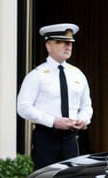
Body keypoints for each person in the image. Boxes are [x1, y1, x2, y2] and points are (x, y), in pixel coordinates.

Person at [17, 23, 93, 169]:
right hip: (47, 137)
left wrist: (83, 119)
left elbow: (86, 106)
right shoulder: (37, 75)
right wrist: (53, 121)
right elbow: (23, 107)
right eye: (61, 42)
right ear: (48, 45)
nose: (68, 46)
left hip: (71, 138)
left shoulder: (77, 74)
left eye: (70, 42)